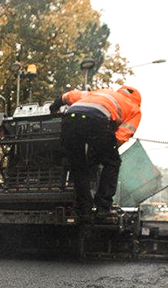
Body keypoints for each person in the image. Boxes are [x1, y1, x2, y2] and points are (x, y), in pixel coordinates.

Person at [50, 85, 141, 216]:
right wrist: (102, 152)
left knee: (79, 166)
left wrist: (54, 106)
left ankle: (83, 207)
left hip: (69, 120)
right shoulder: (135, 109)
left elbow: (69, 96)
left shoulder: (101, 93)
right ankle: (103, 207)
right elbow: (121, 135)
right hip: (97, 122)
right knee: (112, 163)